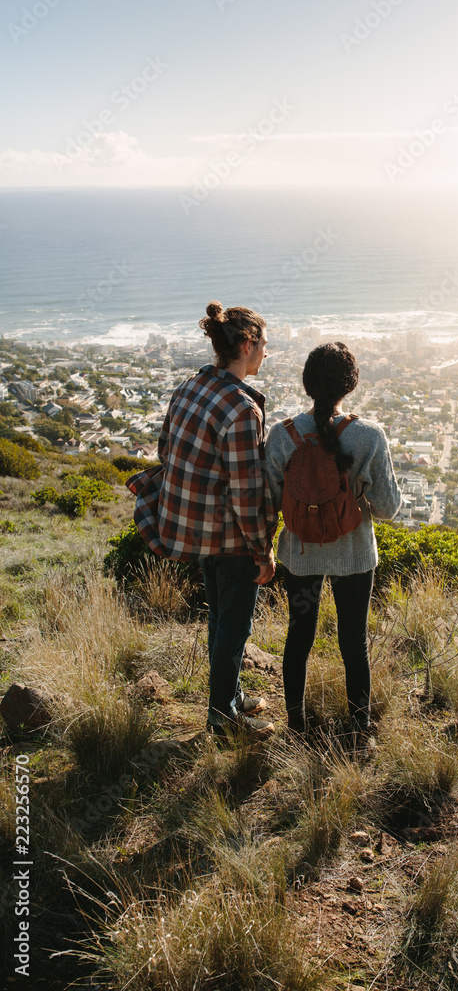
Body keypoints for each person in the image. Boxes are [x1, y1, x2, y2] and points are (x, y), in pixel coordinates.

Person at [128, 301, 277, 739]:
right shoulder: (241, 409)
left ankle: (226, 697)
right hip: (229, 537)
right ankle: (224, 720)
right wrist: (263, 550)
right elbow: (246, 492)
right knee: (233, 627)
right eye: (264, 344)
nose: (267, 353)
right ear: (247, 345)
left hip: (188, 527)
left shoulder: (190, 386)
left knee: (219, 618)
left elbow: (165, 451)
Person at [265, 342, 401, 746]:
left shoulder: (282, 435)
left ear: (308, 383)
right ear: (351, 384)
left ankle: (295, 724)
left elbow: (269, 504)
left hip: (299, 553)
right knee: (352, 640)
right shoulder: (368, 436)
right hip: (355, 555)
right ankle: (359, 728)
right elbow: (389, 508)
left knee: (299, 635)